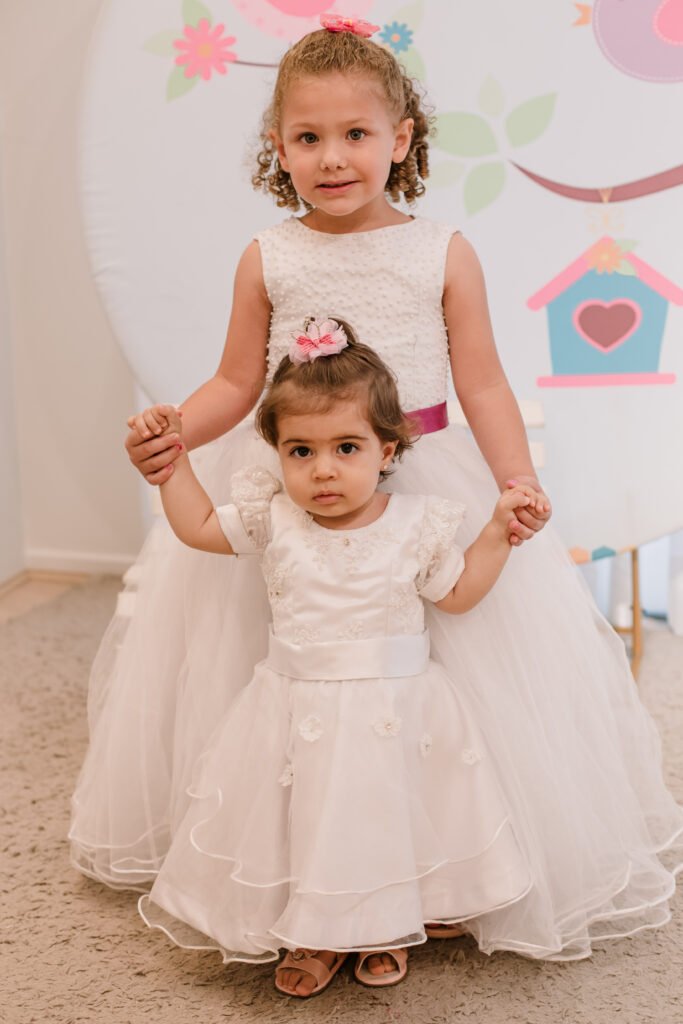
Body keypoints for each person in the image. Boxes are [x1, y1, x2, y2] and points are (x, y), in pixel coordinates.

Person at [70, 16, 683, 965]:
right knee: (288, 681)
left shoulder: (442, 251)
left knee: (444, 686)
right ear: (278, 147)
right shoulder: (268, 256)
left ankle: (442, 865)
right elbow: (235, 382)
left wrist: (514, 480)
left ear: (400, 139)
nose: (332, 157)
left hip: (423, 474)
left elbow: (481, 383)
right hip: (299, 484)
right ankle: (292, 864)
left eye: (355, 133)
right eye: (307, 136)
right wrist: (172, 431)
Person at [138, 322, 535, 996]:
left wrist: (498, 531)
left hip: (394, 707)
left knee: (383, 815)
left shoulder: (416, 523)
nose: (323, 469)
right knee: (314, 821)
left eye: (346, 447)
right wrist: (171, 464)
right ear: (278, 453)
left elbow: (459, 593)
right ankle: (316, 933)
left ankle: (384, 924)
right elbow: (200, 528)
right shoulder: (274, 519)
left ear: (386, 450)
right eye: (301, 451)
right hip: (300, 707)